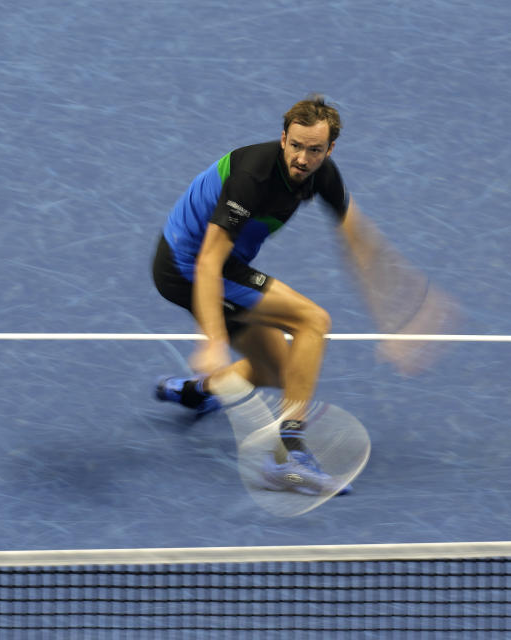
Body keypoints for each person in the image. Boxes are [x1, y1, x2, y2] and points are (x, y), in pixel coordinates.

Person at [151, 95, 359, 495]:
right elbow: (209, 261)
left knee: (279, 373)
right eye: (295, 146)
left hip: (223, 265)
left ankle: (193, 392)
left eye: (313, 150)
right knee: (313, 320)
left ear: (328, 149)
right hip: (188, 267)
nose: (302, 158)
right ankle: (289, 456)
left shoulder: (322, 175)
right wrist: (212, 342)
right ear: (283, 139)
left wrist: (395, 308)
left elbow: (354, 231)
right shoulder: (253, 178)